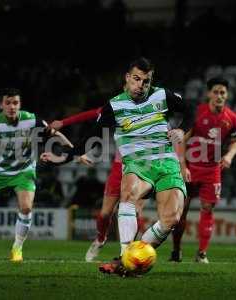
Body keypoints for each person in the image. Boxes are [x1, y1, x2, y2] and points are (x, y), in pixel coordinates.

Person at [41, 57, 194, 275]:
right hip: (137, 164)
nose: (141, 85)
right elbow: (89, 139)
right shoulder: (114, 106)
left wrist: (182, 129)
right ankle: (126, 258)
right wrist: (63, 157)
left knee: (172, 220)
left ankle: (128, 261)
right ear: (127, 78)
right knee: (128, 194)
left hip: (166, 162)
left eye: (146, 81)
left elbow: (190, 110)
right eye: (136, 79)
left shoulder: (163, 95)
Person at [0, 88, 71, 262]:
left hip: (23, 171)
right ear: (1, 105)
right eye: (8, 103)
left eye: (15, 103)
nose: (12, 107)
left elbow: (54, 132)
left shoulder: (31, 120)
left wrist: (74, 151)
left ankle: (17, 249)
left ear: (20, 105)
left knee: (26, 207)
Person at [49, 107, 147, 262]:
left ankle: (127, 253)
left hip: (144, 169)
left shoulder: (152, 107)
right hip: (119, 168)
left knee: (134, 210)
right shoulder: (119, 105)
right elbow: (90, 114)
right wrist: (63, 122)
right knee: (105, 214)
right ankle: (100, 239)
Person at [170, 77, 236, 263]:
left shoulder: (232, 119)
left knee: (208, 208)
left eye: (222, 92)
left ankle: (201, 254)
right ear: (209, 93)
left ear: (227, 95)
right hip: (191, 167)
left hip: (212, 170)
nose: (219, 96)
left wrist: (229, 156)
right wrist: (183, 166)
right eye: (215, 92)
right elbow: (182, 140)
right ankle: (176, 251)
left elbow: (235, 142)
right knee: (180, 212)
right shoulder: (197, 113)